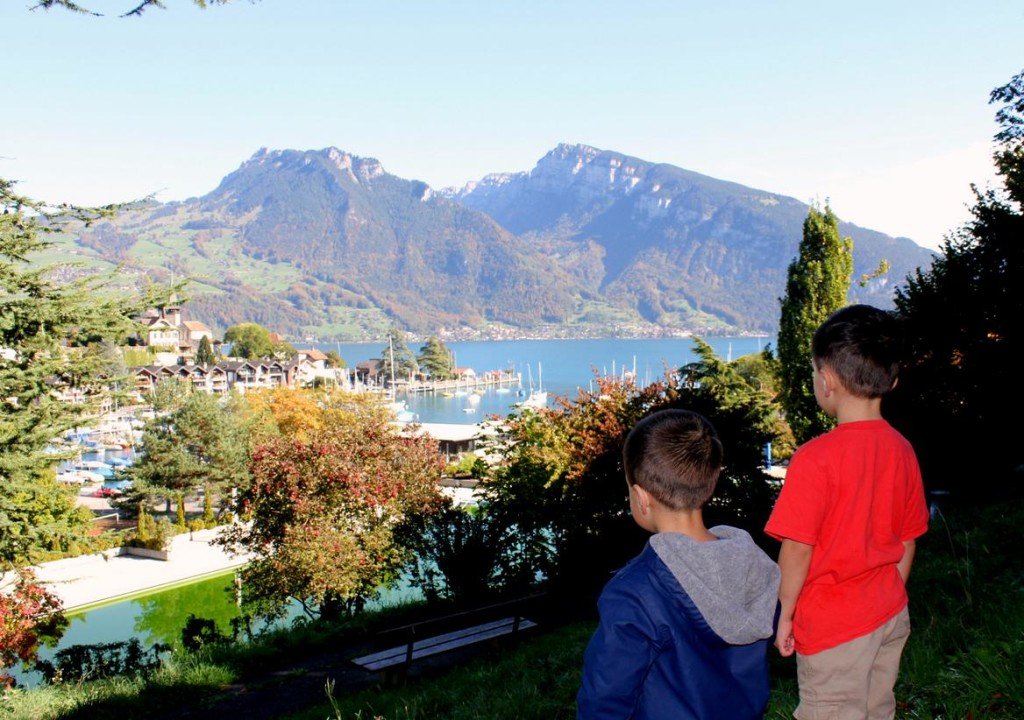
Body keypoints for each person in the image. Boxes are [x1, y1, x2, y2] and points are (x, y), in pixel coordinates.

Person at [765, 304, 929, 719]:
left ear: (826, 381)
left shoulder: (814, 459)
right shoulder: (903, 449)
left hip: (834, 627)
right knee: (878, 709)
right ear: (892, 380)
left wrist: (786, 613)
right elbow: (907, 539)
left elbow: (798, 549)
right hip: (890, 614)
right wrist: (889, 594)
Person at [577, 409, 781, 719]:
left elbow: (605, 697)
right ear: (709, 485)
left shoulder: (634, 593)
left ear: (641, 498)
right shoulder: (755, 566)